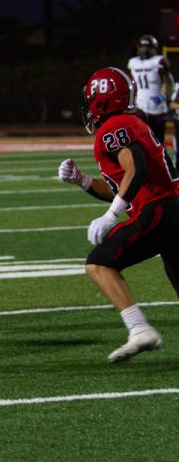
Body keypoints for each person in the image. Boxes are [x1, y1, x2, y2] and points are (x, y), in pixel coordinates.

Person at [58, 66, 179, 362]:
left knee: (99, 263)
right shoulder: (127, 122)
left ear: (101, 100)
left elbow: (135, 168)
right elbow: (121, 184)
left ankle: (139, 329)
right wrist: (83, 180)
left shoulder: (114, 127)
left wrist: (112, 216)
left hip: (161, 208)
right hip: (172, 208)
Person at [126, 34, 174, 144]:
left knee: (157, 140)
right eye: (142, 46)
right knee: (140, 139)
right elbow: (132, 84)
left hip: (156, 105)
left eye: (147, 46)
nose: (144, 49)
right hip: (140, 104)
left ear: (153, 47)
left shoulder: (159, 61)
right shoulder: (133, 62)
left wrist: (162, 96)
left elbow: (169, 82)